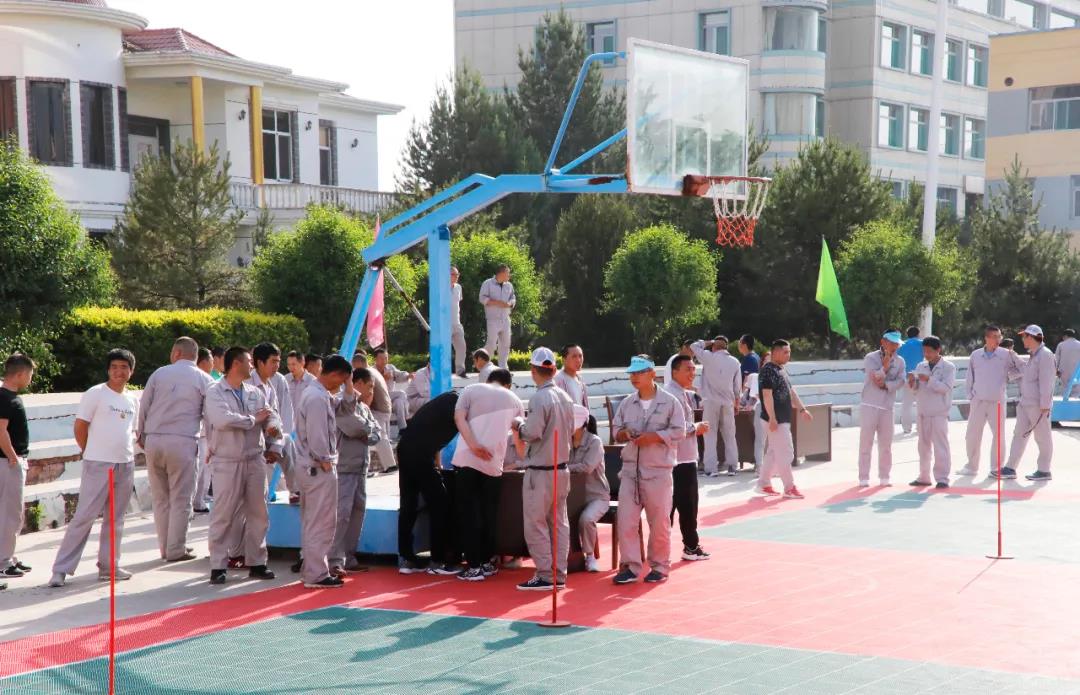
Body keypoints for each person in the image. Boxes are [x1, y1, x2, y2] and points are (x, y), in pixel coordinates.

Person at [49, 350, 139, 587]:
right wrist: (89, 451)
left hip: (125, 464)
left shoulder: (132, 400)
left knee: (116, 519)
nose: (119, 372)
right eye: (114, 367)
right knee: (84, 516)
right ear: (108, 370)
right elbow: (80, 426)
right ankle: (61, 569)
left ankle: (109, 566)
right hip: (98, 463)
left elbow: (131, 430)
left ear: (131, 371)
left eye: (124, 367)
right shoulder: (96, 393)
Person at [204, 347, 282, 585]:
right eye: (249, 361)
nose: (252, 365)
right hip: (227, 461)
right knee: (223, 514)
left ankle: (257, 562)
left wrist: (272, 427)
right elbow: (222, 420)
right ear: (236, 364)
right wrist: (253, 420)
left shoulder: (254, 392)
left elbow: (270, 414)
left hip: (254, 459)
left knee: (259, 513)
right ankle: (218, 565)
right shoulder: (215, 392)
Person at [611, 356, 686, 585]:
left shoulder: (670, 402)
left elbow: (680, 431)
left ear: (652, 373)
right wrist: (624, 434)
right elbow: (615, 430)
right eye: (632, 373)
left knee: (659, 522)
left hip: (658, 471)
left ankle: (660, 566)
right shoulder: (627, 403)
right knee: (626, 521)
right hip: (630, 470)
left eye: (639, 372)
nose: (634, 377)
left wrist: (654, 437)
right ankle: (630, 566)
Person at [138, 337, 214, 562]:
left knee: (161, 499)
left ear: (177, 353)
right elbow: (210, 416)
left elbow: (144, 405)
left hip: (154, 439)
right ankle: (176, 549)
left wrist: (141, 434)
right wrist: (212, 444)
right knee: (181, 498)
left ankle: (165, 548)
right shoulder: (204, 379)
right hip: (183, 441)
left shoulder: (159, 373)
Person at [451, 369, 524, 581]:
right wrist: (524, 459)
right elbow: (519, 437)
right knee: (488, 515)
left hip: (467, 460)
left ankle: (474, 566)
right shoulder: (515, 400)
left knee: (469, 515)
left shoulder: (470, 389)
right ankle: (486, 562)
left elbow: (458, 418)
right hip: (493, 464)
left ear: (488, 380)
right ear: (508, 384)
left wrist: (473, 445)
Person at [513, 347, 575, 591]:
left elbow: (532, 432)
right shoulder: (565, 396)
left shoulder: (539, 398)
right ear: (553, 369)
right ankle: (558, 573)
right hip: (561, 469)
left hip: (541, 470)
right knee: (558, 523)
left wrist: (519, 426)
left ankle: (546, 575)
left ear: (533, 370)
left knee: (535, 524)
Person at [294, 354, 353, 589]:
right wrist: (325, 460)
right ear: (335, 374)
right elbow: (317, 434)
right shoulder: (317, 398)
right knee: (321, 523)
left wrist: (349, 387)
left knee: (313, 522)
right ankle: (316, 573)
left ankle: (313, 569)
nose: (342, 385)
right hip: (318, 468)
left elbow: (345, 406)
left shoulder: (319, 394)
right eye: (342, 380)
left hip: (312, 467)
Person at [396, 390, 460, 576]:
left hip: (405, 449)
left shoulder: (443, 404)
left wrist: (437, 464)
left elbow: (434, 438)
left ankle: (407, 559)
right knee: (440, 503)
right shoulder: (458, 407)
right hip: (421, 455)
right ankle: (437, 560)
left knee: (408, 504)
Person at [330, 367, 382, 577]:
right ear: (356, 383)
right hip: (343, 469)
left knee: (357, 514)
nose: (370, 392)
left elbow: (376, 433)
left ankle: (349, 557)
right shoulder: (341, 405)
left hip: (360, 469)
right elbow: (354, 428)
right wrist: (367, 430)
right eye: (369, 386)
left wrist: (366, 431)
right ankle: (334, 560)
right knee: (341, 515)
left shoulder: (364, 409)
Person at [995, 325, 1056, 482]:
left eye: (1024, 336)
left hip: (1038, 405)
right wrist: (1013, 356)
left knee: (1042, 437)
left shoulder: (1045, 355)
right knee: (1019, 435)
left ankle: (1044, 470)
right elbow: (1026, 374)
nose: (1022, 339)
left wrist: (1045, 405)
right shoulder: (1035, 355)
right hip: (1026, 403)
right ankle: (1010, 467)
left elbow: (1047, 382)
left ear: (1031, 337)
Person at [665, 354, 711, 561]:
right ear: (675, 372)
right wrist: (696, 427)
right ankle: (683, 546)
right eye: (688, 369)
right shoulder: (670, 395)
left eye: (693, 369)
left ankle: (688, 545)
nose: (692, 373)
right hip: (677, 459)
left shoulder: (682, 393)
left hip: (686, 457)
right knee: (678, 506)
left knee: (687, 506)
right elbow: (674, 427)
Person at [757, 340, 811, 498]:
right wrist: (772, 418)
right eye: (786, 352)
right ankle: (789, 487)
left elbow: (791, 392)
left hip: (781, 419)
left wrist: (802, 409)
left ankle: (763, 484)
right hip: (775, 420)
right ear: (775, 352)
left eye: (789, 352)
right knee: (786, 454)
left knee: (774, 453)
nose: (789, 355)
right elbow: (767, 395)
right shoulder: (768, 370)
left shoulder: (781, 370)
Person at [0, 353, 35, 585]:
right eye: (30, 374)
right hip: (8, 462)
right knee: (9, 513)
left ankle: (9, 556)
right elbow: (0, 430)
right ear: (21, 374)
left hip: (11, 461)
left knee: (13, 513)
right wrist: (12, 456)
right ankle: (3, 563)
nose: (30, 379)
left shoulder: (9, 397)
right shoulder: (5, 398)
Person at [959, 325, 1011, 477]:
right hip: (979, 401)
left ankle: (996, 467)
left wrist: (1007, 379)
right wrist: (970, 396)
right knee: (972, 434)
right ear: (986, 338)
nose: (997, 340)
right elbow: (970, 376)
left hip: (998, 401)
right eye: (994, 337)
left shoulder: (1006, 354)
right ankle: (971, 466)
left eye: (999, 336)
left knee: (999, 435)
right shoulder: (976, 355)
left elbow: (1019, 370)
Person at [857, 330, 906, 487]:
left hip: (887, 407)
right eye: (891, 342)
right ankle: (863, 477)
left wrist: (886, 385)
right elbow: (875, 378)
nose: (895, 346)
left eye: (897, 343)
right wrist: (884, 367)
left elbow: (901, 381)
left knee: (886, 445)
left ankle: (884, 476)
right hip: (869, 405)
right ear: (883, 342)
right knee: (866, 443)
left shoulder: (900, 361)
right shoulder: (870, 358)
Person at [907, 336, 956, 489]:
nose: (926, 354)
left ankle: (942, 478)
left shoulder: (948, 367)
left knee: (940, 446)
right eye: (924, 351)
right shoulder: (921, 365)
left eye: (929, 351)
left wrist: (929, 380)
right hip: (922, 411)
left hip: (939, 412)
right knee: (923, 447)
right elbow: (916, 390)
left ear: (938, 350)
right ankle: (924, 476)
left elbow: (946, 387)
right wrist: (912, 383)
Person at [690, 336, 742, 477]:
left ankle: (711, 469)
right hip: (728, 402)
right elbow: (737, 387)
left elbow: (693, 346)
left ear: (714, 346)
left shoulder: (708, 357)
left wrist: (709, 342)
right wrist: (737, 403)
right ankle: (732, 467)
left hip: (710, 401)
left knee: (710, 435)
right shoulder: (735, 362)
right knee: (730, 435)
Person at [354, 351, 396, 474]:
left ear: (359, 363)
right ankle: (387, 465)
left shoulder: (368, 373)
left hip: (379, 409)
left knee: (379, 436)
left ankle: (390, 465)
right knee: (375, 436)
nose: (354, 370)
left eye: (355, 367)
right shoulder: (373, 371)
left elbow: (370, 393)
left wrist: (363, 411)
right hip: (383, 408)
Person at [479, 264, 516, 369]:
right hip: (493, 319)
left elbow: (513, 298)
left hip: (505, 319)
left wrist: (510, 303)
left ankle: (503, 368)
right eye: (508, 273)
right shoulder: (487, 283)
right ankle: (483, 365)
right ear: (502, 273)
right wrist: (496, 302)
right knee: (491, 344)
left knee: (505, 344)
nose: (509, 275)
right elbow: (482, 298)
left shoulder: (509, 285)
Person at [193, 348, 215, 514]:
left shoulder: (209, 380)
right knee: (198, 468)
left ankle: (199, 501)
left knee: (205, 468)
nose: (213, 363)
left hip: (207, 432)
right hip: (196, 432)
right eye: (211, 359)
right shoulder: (199, 379)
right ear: (203, 362)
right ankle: (192, 502)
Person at [742, 351, 771, 474]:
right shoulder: (757, 377)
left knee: (773, 440)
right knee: (760, 439)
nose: (768, 363)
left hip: (775, 409)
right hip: (761, 408)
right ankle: (759, 466)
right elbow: (754, 395)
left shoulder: (779, 375)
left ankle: (770, 467)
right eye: (766, 361)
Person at [374, 348, 410, 432]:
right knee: (401, 393)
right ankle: (408, 418)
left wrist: (408, 375)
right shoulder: (372, 370)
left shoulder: (390, 368)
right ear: (376, 359)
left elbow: (400, 375)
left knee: (399, 402)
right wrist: (383, 378)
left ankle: (402, 429)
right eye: (381, 358)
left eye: (386, 358)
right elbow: (372, 386)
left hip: (390, 399)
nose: (384, 361)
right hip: (378, 399)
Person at [897, 326, 923, 434]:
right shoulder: (922, 344)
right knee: (921, 404)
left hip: (906, 377)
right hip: (920, 376)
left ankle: (906, 428)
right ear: (918, 334)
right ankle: (920, 427)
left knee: (906, 404)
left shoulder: (901, 345)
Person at [553, 344, 588, 408]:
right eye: (574, 356)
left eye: (580, 356)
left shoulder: (580, 379)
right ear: (564, 359)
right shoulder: (557, 380)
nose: (578, 360)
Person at [450, 266, 468, 377]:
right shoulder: (441, 288)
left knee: (462, 347)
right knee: (444, 349)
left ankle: (460, 371)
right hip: (444, 324)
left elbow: (457, 304)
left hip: (457, 322)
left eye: (457, 274)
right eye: (454, 274)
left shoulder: (458, 287)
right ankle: (443, 371)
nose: (456, 277)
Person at [1055, 328, 1080, 397]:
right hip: (1077, 372)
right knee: (1077, 391)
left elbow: (1056, 359)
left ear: (1065, 336)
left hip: (1063, 372)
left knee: (1065, 390)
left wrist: (1056, 370)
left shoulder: (1061, 345)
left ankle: (1066, 402)